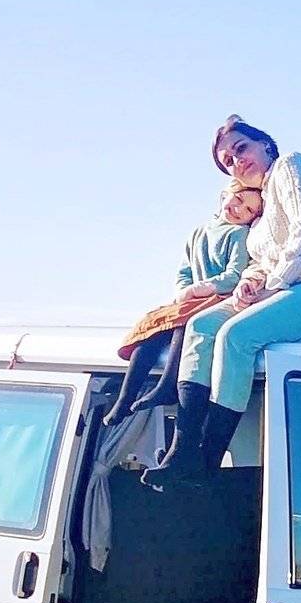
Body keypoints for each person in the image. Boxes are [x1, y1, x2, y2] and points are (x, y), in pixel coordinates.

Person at [150, 116, 301, 483]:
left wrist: (272, 283)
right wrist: (250, 282)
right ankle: (183, 448)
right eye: (228, 161)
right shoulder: (258, 211)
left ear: (265, 146)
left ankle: (207, 460)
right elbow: (260, 261)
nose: (237, 161)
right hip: (292, 288)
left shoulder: (292, 166)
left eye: (241, 149)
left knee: (236, 336)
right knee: (202, 325)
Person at [99, 173, 264, 429]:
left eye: (250, 209)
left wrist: (200, 289)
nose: (240, 209)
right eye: (239, 199)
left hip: (217, 298)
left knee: (185, 325)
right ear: (225, 195)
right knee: (152, 330)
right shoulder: (199, 232)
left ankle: (168, 384)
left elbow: (234, 275)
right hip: (190, 299)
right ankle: (125, 397)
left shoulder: (239, 235)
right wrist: (184, 291)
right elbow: (184, 271)